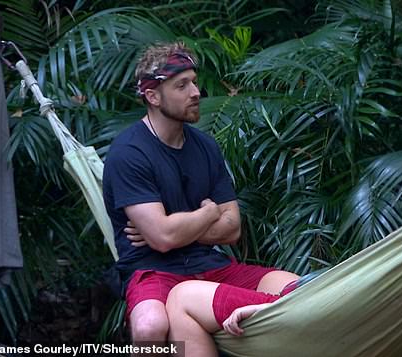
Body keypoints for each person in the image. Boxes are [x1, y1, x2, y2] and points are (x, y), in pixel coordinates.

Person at [102, 42, 299, 351]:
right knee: (149, 325)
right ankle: (256, 311)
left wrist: (175, 228)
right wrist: (208, 213)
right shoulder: (129, 153)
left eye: (193, 81)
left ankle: (264, 313)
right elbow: (163, 239)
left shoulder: (206, 147)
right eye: (182, 85)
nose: (196, 92)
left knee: (296, 288)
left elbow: (232, 228)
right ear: (153, 97)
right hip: (153, 270)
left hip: (211, 264)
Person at [164, 164, 402, 356]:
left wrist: (267, 309)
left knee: (181, 298)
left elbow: (358, 301)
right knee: (277, 277)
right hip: (317, 297)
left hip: (309, 312)